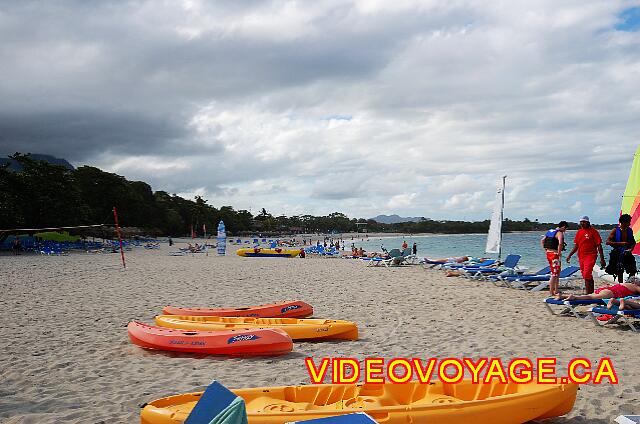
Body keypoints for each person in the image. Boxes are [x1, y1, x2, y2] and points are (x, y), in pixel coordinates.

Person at [566, 216, 605, 294]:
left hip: (591, 255)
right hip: (581, 256)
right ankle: (590, 293)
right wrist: (569, 255)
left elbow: (599, 245)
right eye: (581, 222)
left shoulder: (593, 232)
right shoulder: (579, 232)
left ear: (588, 222)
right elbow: (576, 245)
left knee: (587, 274)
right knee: (585, 275)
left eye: (584, 222)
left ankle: (589, 293)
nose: (582, 223)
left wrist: (602, 259)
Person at [605, 213, 637, 283]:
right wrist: (620, 243)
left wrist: (631, 249)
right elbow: (607, 242)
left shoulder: (630, 230)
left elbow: (633, 242)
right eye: (628, 222)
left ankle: (630, 283)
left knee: (633, 269)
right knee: (619, 270)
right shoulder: (615, 230)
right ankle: (620, 284)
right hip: (617, 253)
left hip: (626, 253)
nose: (629, 224)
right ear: (623, 222)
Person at [541, 221, 568, 296]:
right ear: (563, 227)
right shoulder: (559, 233)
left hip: (549, 253)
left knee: (557, 271)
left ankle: (556, 289)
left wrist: (545, 250)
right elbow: (560, 243)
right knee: (554, 273)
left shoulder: (550, 231)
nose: (565, 231)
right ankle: (551, 292)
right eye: (565, 229)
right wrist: (559, 252)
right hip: (554, 255)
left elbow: (542, 240)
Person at [555, 278, 640, 301]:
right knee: (591, 298)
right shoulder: (635, 286)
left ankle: (563, 296)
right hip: (612, 293)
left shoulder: (624, 284)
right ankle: (575, 297)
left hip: (607, 289)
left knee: (590, 296)